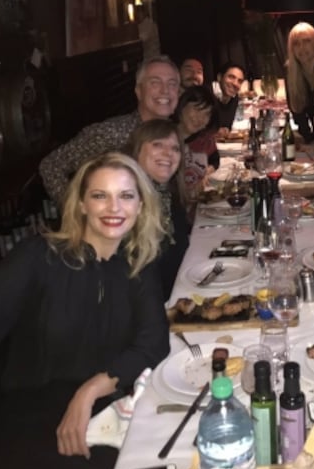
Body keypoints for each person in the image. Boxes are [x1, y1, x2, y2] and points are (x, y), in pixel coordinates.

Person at [0, 153, 170, 469]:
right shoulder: (39, 258)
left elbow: (153, 343)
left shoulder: (139, 265)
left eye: (126, 196)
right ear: (82, 204)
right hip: (35, 419)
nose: (114, 208)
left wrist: (91, 389)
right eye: (100, 195)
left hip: (110, 407)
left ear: (141, 206)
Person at [40, 55, 181, 203]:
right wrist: (81, 212)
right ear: (139, 91)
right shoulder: (113, 132)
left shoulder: (173, 137)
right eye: (155, 82)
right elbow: (51, 166)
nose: (165, 90)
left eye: (172, 84)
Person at [125, 120, 189, 299]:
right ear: (137, 151)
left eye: (175, 149)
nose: (168, 153)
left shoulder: (167, 195)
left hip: (174, 294)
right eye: (157, 144)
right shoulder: (129, 202)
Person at [172, 85, 220, 207]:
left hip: (198, 209)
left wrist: (206, 171)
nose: (201, 118)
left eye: (207, 114)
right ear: (182, 106)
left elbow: (215, 159)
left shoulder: (205, 139)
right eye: (197, 109)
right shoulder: (165, 141)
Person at [286, 22, 314, 145]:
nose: (302, 48)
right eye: (296, 44)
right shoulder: (292, 74)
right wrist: (308, 140)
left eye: (306, 41)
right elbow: (299, 116)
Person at [214, 62, 246, 136]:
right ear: (219, 77)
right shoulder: (205, 96)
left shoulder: (235, 98)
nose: (235, 83)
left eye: (239, 81)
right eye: (231, 77)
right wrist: (214, 132)